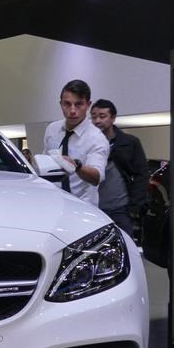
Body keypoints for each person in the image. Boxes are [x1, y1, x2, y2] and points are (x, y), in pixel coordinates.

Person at [91, 98, 151, 238]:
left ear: (113, 118)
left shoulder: (130, 142)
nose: (97, 121)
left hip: (121, 208)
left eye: (102, 116)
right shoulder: (87, 143)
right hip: (93, 207)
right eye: (94, 116)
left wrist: (135, 205)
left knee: (125, 246)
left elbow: (142, 174)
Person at [43, 79, 109, 206]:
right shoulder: (52, 130)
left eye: (79, 104)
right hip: (53, 203)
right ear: (60, 104)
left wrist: (77, 166)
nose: (72, 110)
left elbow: (97, 177)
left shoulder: (97, 138)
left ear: (88, 105)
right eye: (67, 104)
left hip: (83, 207)